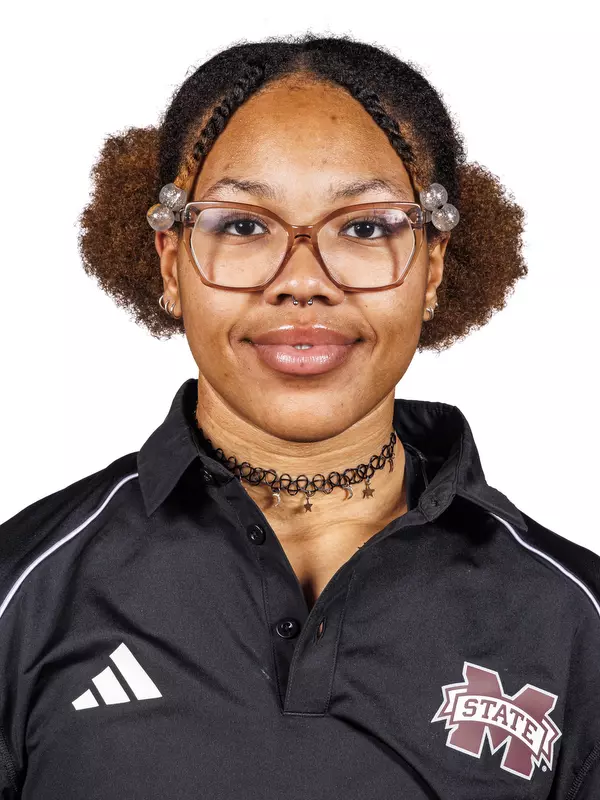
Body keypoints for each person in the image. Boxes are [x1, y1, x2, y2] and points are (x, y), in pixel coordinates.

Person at [0, 33, 598, 800]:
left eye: (366, 227)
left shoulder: (574, 620)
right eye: (244, 226)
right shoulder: (25, 591)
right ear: (170, 262)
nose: (303, 282)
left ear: (435, 267)